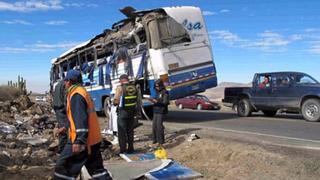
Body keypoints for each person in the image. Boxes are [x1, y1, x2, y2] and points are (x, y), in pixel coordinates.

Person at [54, 69, 112, 180]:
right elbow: (77, 119)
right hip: (93, 140)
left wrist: (79, 141)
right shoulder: (82, 92)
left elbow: (81, 119)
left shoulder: (76, 95)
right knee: (97, 171)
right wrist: (65, 128)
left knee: (62, 168)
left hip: (83, 142)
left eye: (65, 81)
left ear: (69, 82)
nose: (64, 84)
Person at [113, 74, 137, 154]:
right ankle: (131, 148)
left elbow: (116, 100)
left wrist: (113, 102)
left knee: (122, 132)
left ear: (122, 80)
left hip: (122, 112)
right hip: (132, 112)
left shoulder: (120, 88)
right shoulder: (134, 87)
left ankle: (123, 149)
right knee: (130, 131)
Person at [148, 79, 169, 146]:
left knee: (159, 126)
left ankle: (161, 141)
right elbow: (157, 99)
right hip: (156, 110)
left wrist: (157, 102)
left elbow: (165, 102)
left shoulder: (165, 92)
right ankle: (155, 139)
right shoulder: (157, 92)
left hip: (161, 111)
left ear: (161, 86)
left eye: (158, 86)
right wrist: (152, 100)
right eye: (156, 86)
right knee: (154, 126)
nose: (157, 88)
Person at [52, 80, 68, 153]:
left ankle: (62, 149)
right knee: (64, 130)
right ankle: (62, 150)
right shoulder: (65, 84)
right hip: (62, 109)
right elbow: (65, 98)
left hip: (58, 108)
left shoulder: (58, 84)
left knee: (63, 128)